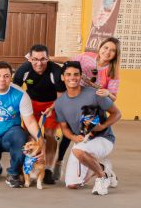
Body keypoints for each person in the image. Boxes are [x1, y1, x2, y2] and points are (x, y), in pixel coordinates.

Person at [50, 37, 121, 179]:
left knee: (92, 135)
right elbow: (69, 61)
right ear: (100, 47)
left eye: (112, 50)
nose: (107, 52)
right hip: (76, 97)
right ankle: (59, 161)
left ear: (115, 55)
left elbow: (113, 97)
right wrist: (49, 58)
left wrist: (107, 93)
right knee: (68, 132)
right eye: (106, 47)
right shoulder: (87, 57)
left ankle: (98, 166)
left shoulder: (112, 72)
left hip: (94, 105)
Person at [13, 44, 64, 184]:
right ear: (30, 59)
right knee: (30, 135)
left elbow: (61, 97)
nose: (39, 63)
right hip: (31, 102)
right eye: (35, 59)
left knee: (50, 134)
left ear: (48, 58)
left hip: (52, 103)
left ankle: (48, 169)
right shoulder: (23, 70)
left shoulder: (56, 71)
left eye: (43, 59)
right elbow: (15, 91)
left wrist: (52, 108)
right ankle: (29, 166)